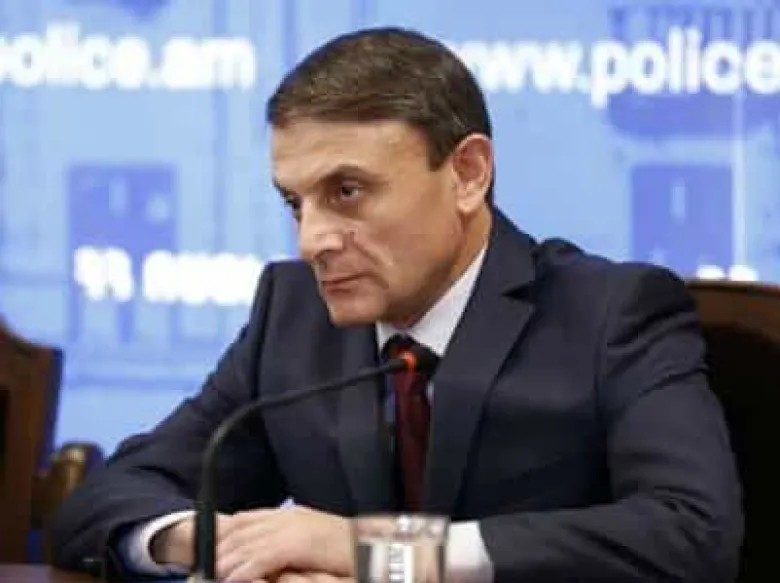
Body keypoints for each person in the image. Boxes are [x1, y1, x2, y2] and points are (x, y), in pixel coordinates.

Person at [51, 26, 743, 583]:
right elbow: (106, 499)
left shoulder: (611, 312)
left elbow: (692, 533)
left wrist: (375, 552)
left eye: (346, 191)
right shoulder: (292, 316)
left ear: (467, 173)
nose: (313, 240)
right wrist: (224, 545)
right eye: (295, 203)